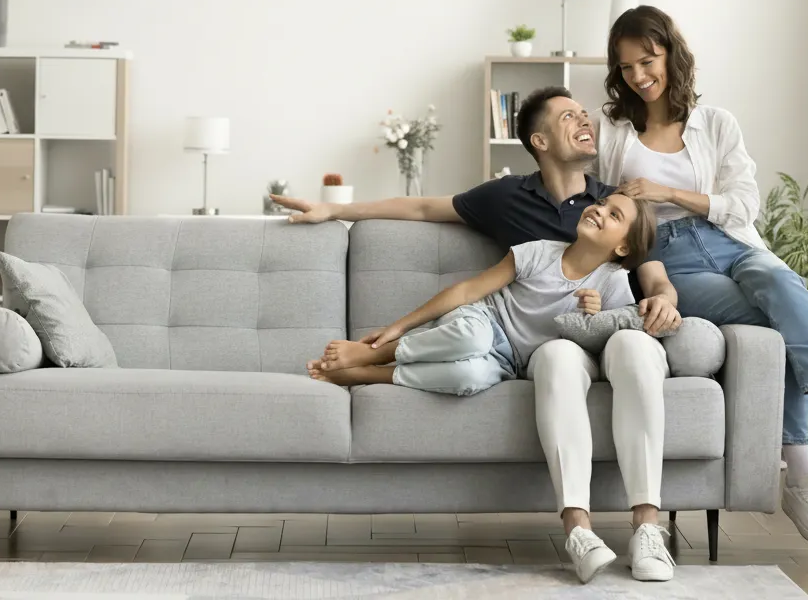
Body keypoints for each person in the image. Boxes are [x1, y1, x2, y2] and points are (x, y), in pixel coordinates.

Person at [274, 88, 679, 584]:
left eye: (583, 112)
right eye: (568, 116)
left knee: (607, 348)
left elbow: (648, 268)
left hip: (581, 341)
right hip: (529, 344)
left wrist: (663, 299)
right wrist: (334, 210)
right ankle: (578, 530)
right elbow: (423, 209)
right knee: (521, 352)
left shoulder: (614, 203)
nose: (584, 120)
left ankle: (648, 528)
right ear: (539, 141)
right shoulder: (508, 199)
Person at [594, 4, 808, 547]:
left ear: (671, 54)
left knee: (786, 288)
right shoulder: (613, 132)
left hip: (729, 239)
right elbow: (592, 197)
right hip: (667, 256)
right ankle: (802, 475)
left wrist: (669, 192)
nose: (639, 76)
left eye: (648, 61)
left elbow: (745, 205)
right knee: (779, 324)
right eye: (626, 67)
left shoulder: (715, 123)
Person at [306, 193, 655, 402]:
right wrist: (398, 327)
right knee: (472, 338)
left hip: (509, 362)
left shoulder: (613, 282)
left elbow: (613, 335)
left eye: (614, 215)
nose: (599, 209)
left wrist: (595, 315)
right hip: (481, 321)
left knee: (468, 379)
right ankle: (374, 353)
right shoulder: (537, 252)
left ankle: (367, 374)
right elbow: (467, 291)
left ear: (623, 247)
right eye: (602, 203)